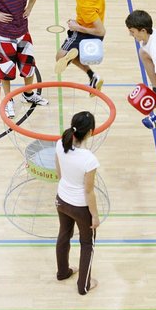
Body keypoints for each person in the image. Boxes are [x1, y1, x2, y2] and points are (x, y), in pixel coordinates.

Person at [55, 111, 100, 295]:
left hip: (61, 199)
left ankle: (63, 272)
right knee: (87, 244)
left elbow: (59, 173)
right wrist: (95, 216)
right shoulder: (89, 159)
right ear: (90, 132)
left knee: (64, 234)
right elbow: (88, 191)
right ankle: (83, 286)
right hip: (80, 208)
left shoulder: (60, 143)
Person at [53, 0, 105, 93]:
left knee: (60, 57)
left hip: (87, 30)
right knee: (67, 56)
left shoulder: (87, 6)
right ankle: (92, 76)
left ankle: (74, 55)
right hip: (88, 27)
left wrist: (77, 27)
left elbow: (101, 31)